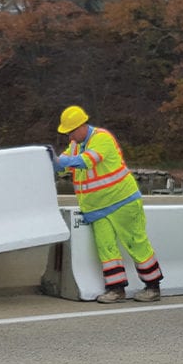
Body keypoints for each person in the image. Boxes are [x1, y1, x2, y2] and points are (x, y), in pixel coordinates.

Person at [55, 105, 164, 304]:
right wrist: (56, 163)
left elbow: (85, 162)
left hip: (122, 201)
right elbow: (64, 165)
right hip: (96, 209)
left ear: (81, 126)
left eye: (71, 131)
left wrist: (63, 161)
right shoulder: (75, 146)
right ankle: (116, 289)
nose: (69, 136)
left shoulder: (101, 138)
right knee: (106, 248)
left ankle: (153, 286)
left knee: (135, 243)